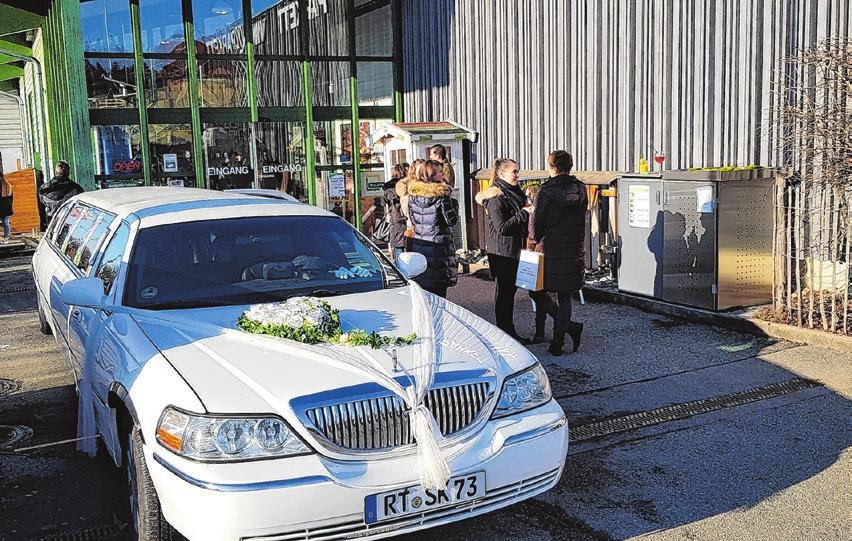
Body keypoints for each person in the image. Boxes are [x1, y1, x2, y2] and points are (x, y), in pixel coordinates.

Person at [530, 150, 587, 355]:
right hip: (573, 248)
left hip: (549, 249)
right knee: (565, 295)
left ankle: (568, 329)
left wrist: (533, 240)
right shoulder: (581, 188)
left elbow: (536, 224)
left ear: (551, 166)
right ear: (570, 165)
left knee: (536, 291)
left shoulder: (544, 191)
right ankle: (559, 340)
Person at [475, 158, 531, 342]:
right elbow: (502, 227)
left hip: (515, 249)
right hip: (502, 252)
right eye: (514, 171)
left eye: (517, 171)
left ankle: (508, 331)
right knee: (504, 295)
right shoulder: (496, 198)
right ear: (501, 174)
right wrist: (524, 212)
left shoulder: (514, 192)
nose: (517, 175)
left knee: (509, 293)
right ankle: (506, 334)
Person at [406, 159, 458, 297]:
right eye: (440, 172)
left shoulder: (413, 196)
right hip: (439, 248)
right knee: (440, 294)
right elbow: (451, 220)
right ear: (432, 175)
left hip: (420, 245)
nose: (443, 175)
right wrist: (452, 201)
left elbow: (412, 219)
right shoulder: (442, 195)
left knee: (425, 291)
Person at [525, 183, 548, 344]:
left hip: (539, 251)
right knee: (554, 293)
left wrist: (529, 247)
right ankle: (562, 326)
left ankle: (541, 332)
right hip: (559, 252)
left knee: (537, 292)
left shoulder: (536, 209)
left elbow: (533, 233)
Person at [383, 163, 409, 262]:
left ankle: (400, 269)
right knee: (402, 248)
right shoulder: (401, 187)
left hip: (396, 221)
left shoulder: (388, 189)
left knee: (399, 247)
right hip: (401, 220)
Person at [0, 173, 13, 243]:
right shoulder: (8, 185)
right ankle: (6, 238)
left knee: (5, 223)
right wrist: (10, 206)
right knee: (6, 223)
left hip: (1, 206)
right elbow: (11, 198)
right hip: (7, 207)